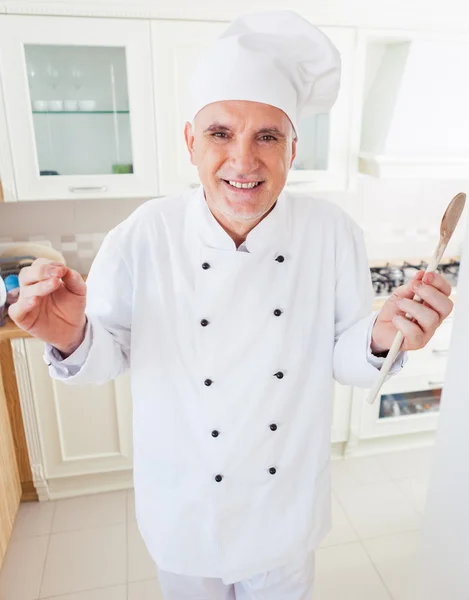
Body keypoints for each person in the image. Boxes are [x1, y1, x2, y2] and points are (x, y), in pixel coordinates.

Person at [9, 10, 453, 600]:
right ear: (192, 142)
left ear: (292, 148)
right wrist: (71, 337)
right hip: (185, 509)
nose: (244, 161)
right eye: (221, 133)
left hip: (283, 512)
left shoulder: (331, 232)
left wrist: (381, 336)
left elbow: (344, 355)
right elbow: (106, 356)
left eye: (267, 136)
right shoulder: (143, 234)